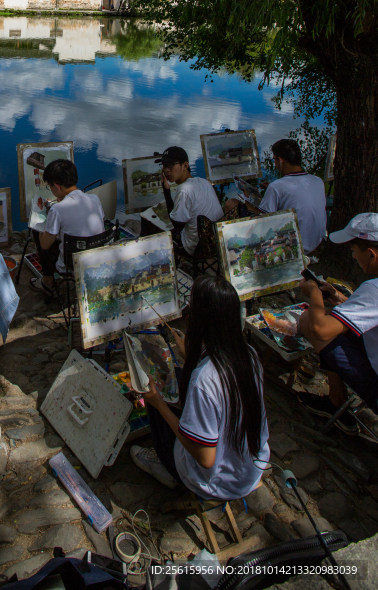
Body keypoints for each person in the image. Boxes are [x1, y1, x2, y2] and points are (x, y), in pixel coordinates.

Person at [130, 275, 270, 499]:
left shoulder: (204, 379)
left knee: (158, 391)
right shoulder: (249, 355)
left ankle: (164, 466)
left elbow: (205, 459)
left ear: (199, 321)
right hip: (249, 468)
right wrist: (192, 358)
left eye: (190, 309)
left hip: (217, 482)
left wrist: (158, 404)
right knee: (173, 378)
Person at [296, 213, 378, 435]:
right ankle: (335, 399)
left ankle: (337, 401)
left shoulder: (374, 289)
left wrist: (313, 292)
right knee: (340, 317)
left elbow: (319, 330)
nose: (352, 257)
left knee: (309, 320)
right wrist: (341, 299)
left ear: (371, 254)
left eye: (353, 251)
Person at [225, 139, 326, 255]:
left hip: (293, 246)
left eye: (274, 160)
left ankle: (235, 253)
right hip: (315, 243)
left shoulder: (277, 187)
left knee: (231, 203)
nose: (275, 164)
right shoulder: (318, 181)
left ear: (281, 161)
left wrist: (247, 199)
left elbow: (262, 223)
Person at [32, 158, 105, 296]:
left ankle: (48, 282)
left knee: (38, 231)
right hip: (96, 258)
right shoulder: (95, 199)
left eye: (50, 187)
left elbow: (45, 245)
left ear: (57, 186)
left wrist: (40, 223)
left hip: (71, 265)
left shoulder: (57, 210)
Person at [161, 146, 223, 257]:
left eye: (170, 165)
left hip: (195, 248)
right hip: (216, 242)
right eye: (164, 166)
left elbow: (176, 224)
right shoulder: (204, 182)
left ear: (185, 165)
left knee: (157, 229)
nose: (166, 170)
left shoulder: (184, 189)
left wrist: (166, 190)